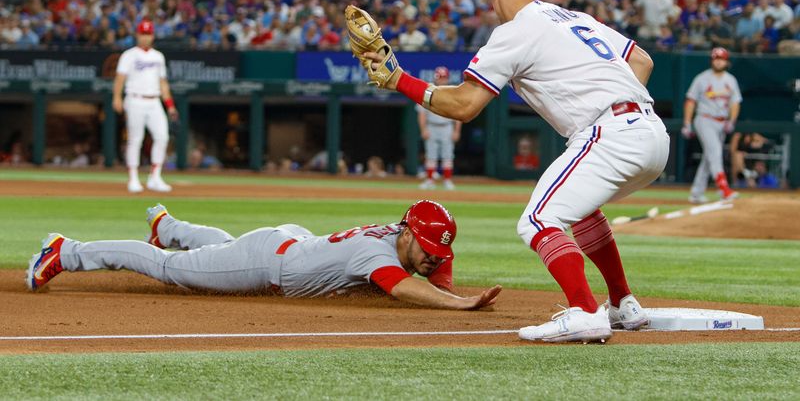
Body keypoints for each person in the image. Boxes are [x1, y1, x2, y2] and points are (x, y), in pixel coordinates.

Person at [353, 0, 669, 343]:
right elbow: (642, 60)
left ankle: (586, 310)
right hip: (651, 131)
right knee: (580, 211)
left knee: (537, 221)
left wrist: (397, 79)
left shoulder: (515, 30)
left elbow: (465, 105)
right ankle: (623, 304)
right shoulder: (574, 18)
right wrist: (621, 103)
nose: (491, 0)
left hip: (610, 133)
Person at [26, 201, 502, 311]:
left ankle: (168, 227)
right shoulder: (374, 253)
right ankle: (66, 251)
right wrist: (459, 303)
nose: (434, 258)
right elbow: (404, 286)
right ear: (409, 233)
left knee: (222, 247)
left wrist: (439, 266)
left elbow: (429, 264)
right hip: (268, 261)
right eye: (429, 248)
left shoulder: (401, 237)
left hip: (286, 243)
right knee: (168, 269)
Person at [113, 20, 179, 193]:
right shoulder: (129, 55)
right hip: (135, 98)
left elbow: (163, 83)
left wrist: (170, 105)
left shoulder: (158, 56)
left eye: (148, 34)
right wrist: (117, 97)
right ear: (137, 35)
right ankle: (133, 178)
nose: (145, 37)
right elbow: (120, 78)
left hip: (154, 100)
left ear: (153, 36)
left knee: (162, 136)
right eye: (143, 33)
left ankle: (155, 177)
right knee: (135, 139)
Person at [682, 47, 741, 203]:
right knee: (715, 152)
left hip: (722, 122)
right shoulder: (702, 78)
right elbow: (690, 100)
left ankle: (696, 193)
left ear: (726, 61)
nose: (718, 61)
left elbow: (735, 103)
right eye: (715, 58)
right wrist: (687, 122)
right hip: (704, 119)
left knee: (709, 158)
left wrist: (732, 120)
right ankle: (723, 189)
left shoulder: (730, 80)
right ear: (712, 60)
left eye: (721, 58)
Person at [417, 67, 462, 190]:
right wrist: (423, 129)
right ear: (435, 78)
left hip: (447, 126)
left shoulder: (453, 92)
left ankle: (447, 180)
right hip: (432, 125)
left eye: (444, 78)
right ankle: (430, 180)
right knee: (431, 155)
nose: (442, 80)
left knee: (447, 155)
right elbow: (422, 113)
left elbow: (458, 114)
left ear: (447, 78)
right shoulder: (428, 91)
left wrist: (456, 130)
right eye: (439, 78)